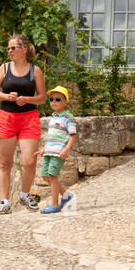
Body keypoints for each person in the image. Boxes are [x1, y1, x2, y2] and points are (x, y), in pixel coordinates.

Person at [0, 34, 46, 214]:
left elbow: (42, 98)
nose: (10, 51)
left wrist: (28, 99)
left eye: (13, 47)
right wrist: (7, 97)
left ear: (25, 49)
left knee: (29, 161)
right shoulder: (4, 68)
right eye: (8, 48)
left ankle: (24, 194)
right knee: (4, 163)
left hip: (29, 117)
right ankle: (4, 201)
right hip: (6, 117)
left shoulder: (34, 70)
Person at [38, 85, 77, 214]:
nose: (54, 101)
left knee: (52, 176)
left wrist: (66, 149)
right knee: (45, 176)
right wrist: (44, 148)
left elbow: (73, 135)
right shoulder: (54, 117)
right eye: (51, 99)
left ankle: (54, 204)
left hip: (59, 152)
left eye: (58, 99)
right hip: (49, 151)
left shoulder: (68, 117)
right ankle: (66, 195)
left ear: (65, 102)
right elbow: (52, 137)